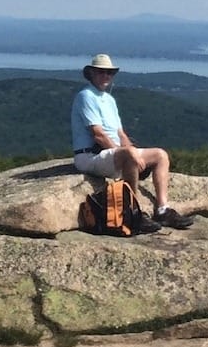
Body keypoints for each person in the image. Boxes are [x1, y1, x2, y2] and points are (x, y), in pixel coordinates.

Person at [70, 54, 192, 230]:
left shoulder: (109, 100)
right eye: (101, 72)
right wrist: (127, 154)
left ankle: (162, 209)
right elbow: (98, 135)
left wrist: (130, 150)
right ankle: (132, 212)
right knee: (128, 154)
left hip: (109, 153)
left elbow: (120, 133)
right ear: (91, 74)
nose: (106, 76)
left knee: (160, 155)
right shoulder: (86, 96)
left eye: (109, 73)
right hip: (89, 155)